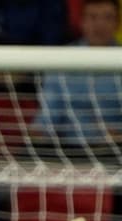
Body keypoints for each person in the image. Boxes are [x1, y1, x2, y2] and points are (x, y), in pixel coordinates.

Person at [31, 0, 122, 162]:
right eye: (93, 17)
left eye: (108, 18)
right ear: (82, 22)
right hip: (71, 151)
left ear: (117, 24)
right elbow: (49, 115)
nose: (100, 24)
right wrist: (37, 133)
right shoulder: (62, 61)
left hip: (116, 151)